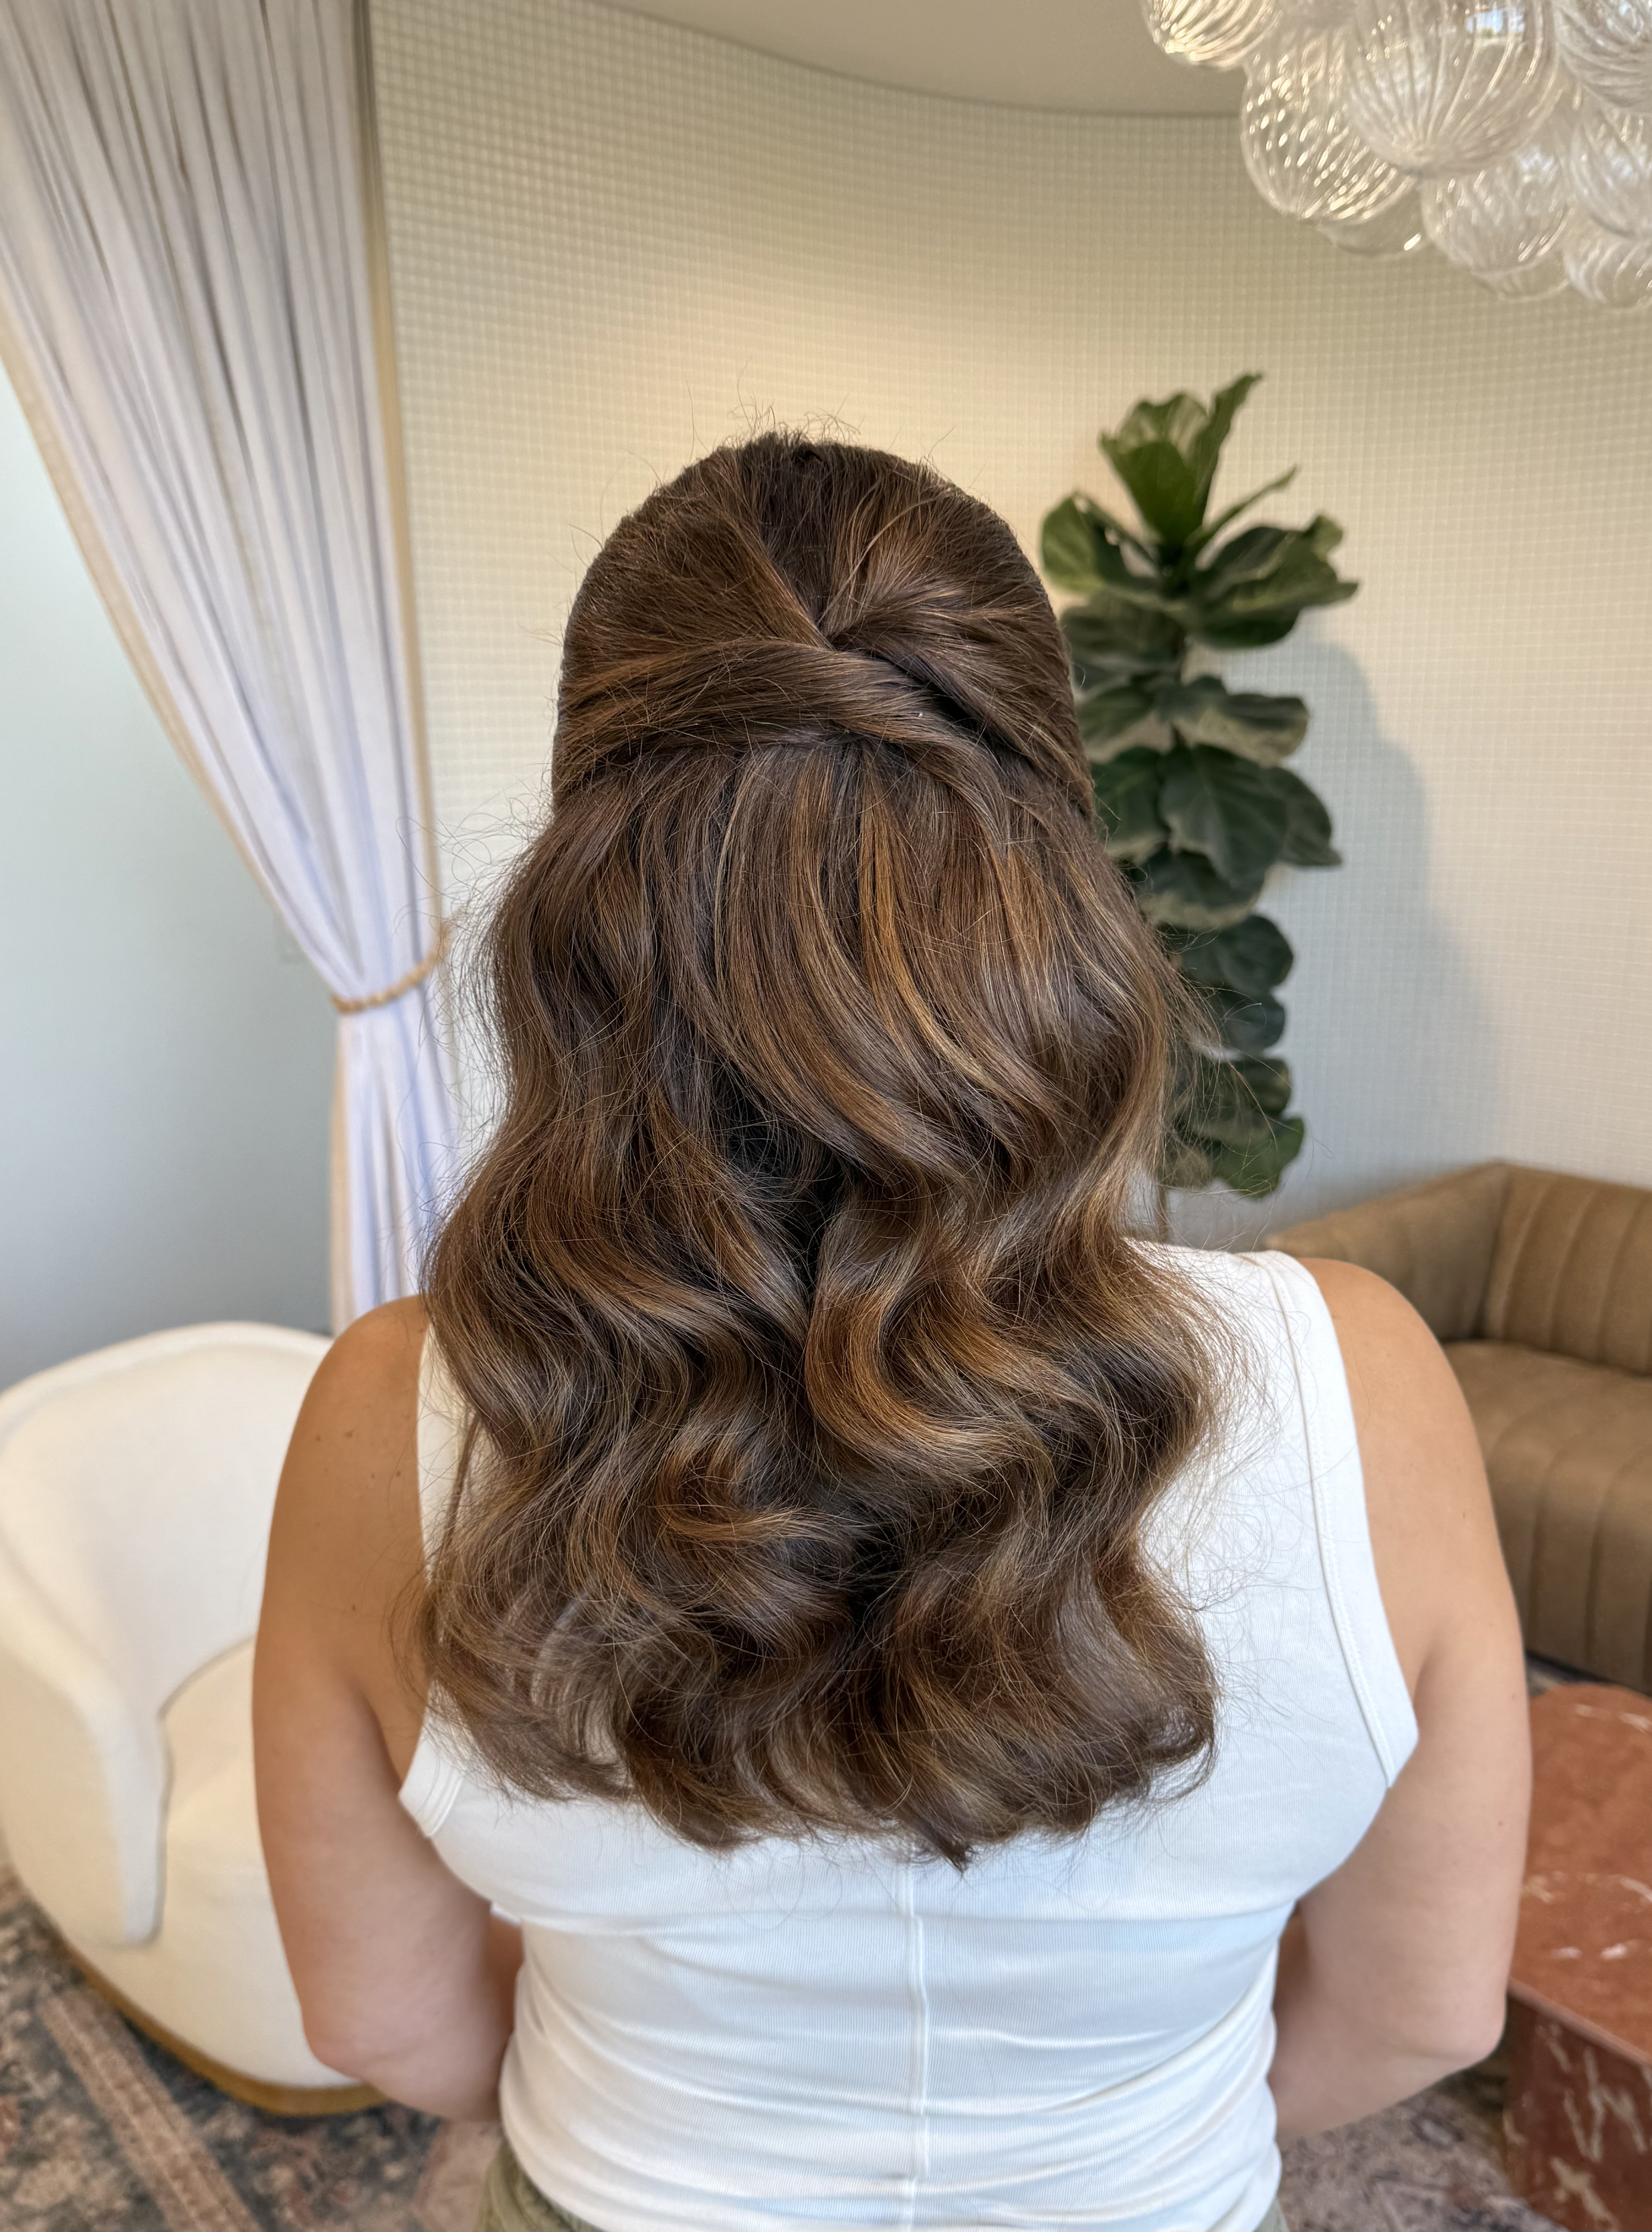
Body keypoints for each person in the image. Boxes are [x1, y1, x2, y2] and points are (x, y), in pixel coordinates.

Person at [253, 435, 1530, 2232]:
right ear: (1053, 862)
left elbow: (382, 2021)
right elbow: (1419, 2013)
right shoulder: (1365, 1383)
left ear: (588, 882)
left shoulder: (389, 1414)